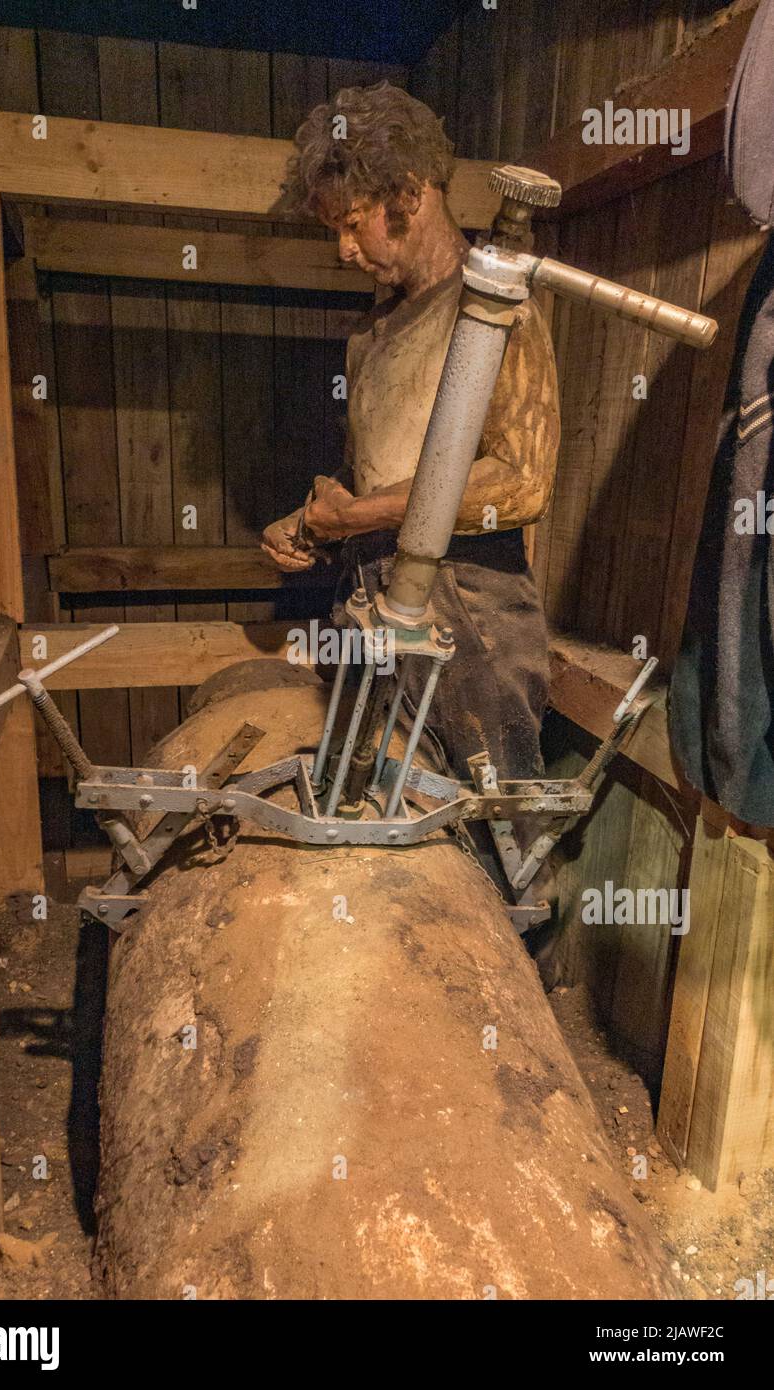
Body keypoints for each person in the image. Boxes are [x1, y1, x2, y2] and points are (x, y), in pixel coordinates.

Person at [262, 82, 560, 914]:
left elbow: (520, 480)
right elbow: (379, 476)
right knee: (385, 818)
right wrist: (314, 525)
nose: (344, 251)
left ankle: (528, 996)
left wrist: (356, 513)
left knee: (503, 835)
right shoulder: (374, 332)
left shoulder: (499, 305)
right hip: (373, 595)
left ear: (409, 196)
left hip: (473, 610)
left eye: (352, 224)